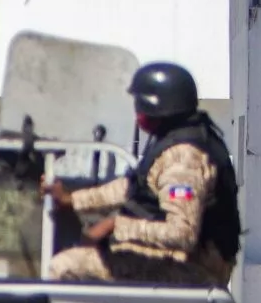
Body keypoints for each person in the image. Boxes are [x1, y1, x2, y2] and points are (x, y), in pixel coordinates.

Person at [47, 62, 240, 286]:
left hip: (193, 269)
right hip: (183, 260)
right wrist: (72, 200)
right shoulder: (172, 138)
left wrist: (116, 227)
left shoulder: (184, 161)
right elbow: (131, 187)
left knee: (65, 265)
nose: (137, 111)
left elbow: (182, 234)